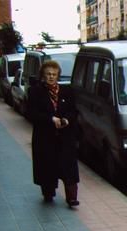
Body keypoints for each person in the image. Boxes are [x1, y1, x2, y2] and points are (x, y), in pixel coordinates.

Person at [29, 60, 80, 206]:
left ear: (58, 75)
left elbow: (74, 111)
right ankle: (48, 193)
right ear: (43, 76)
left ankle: (72, 198)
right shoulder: (35, 92)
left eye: (54, 74)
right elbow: (32, 113)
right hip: (45, 138)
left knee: (69, 167)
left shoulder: (67, 91)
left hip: (65, 138)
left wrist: (66, 120)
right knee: (47, 167)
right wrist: (50, 119)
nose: (51, 77)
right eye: (48, 74)